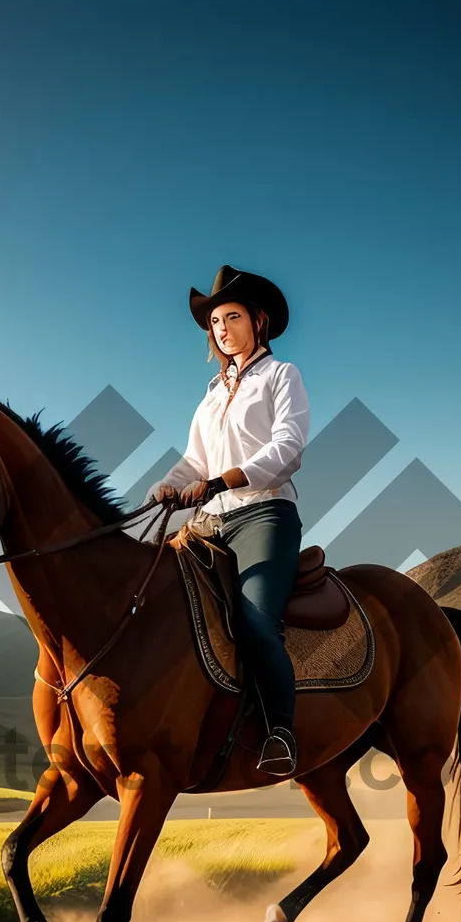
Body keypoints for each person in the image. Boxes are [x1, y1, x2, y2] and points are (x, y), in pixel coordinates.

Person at [145, 264, 310, 777]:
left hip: (264, 514)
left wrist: (225, 480)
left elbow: (289, 446)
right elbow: (195, 461)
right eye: (214, 321)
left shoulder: (282, 376)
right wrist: (166, 484)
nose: (220, 329)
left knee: (257, 622)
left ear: (258, 321)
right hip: (209, 523)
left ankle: (280, 732)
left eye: (231, 316)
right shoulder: (211, 396)